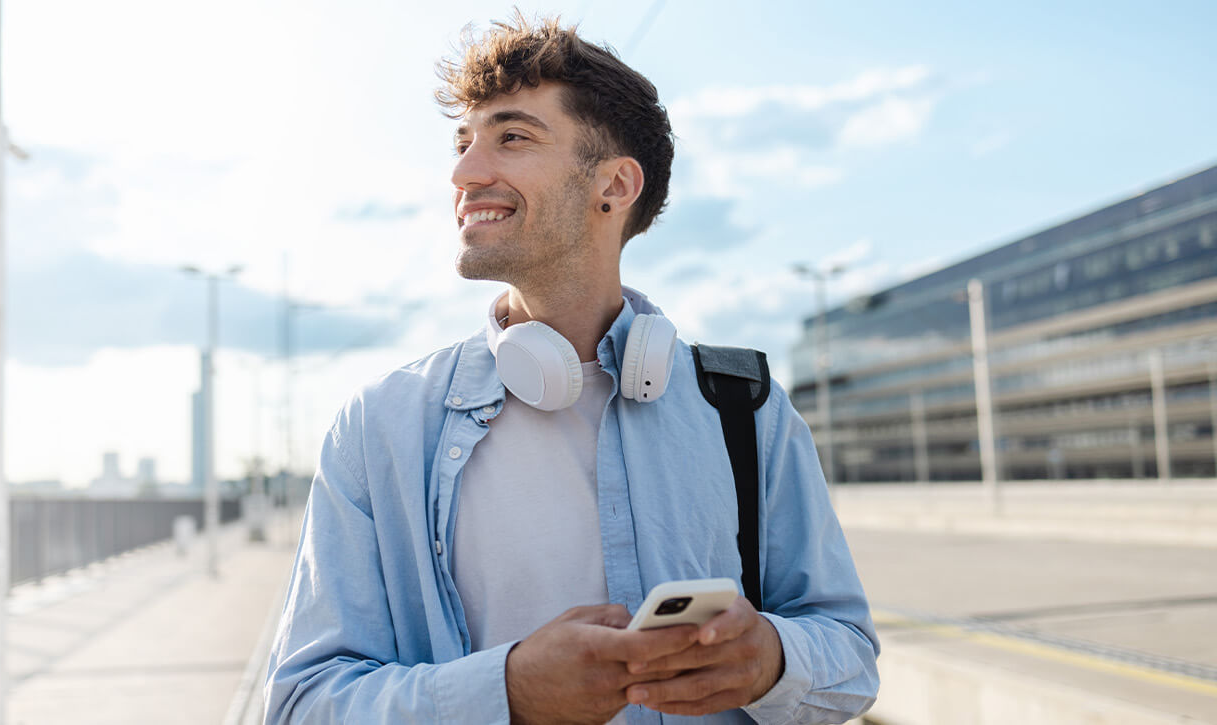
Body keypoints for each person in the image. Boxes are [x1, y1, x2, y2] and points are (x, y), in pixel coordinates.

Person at [263, 14, 878, 725]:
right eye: (463, 143)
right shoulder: (379, 426)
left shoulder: (746, 409)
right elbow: (300, 704)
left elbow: (851, 657)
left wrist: (772, 658)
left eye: (511, 137)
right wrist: (510, 692)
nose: (464, 172)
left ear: (613, 185)